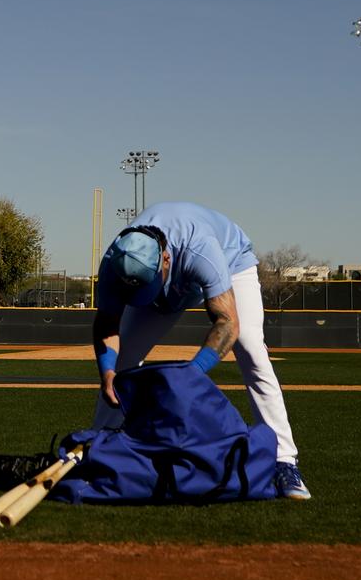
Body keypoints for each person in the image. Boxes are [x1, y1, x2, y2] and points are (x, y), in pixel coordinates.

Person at [91, 201, 309, 499]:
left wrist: (190, 376)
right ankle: (99, 451)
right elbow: (107, 323)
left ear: (165, 259)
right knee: (123, 359)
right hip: (169, 288)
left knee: (251, 351)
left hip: (232, 265)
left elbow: (227, 323)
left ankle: (284, 459)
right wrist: (107, 373)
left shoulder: (200, 250)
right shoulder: (115, 262)